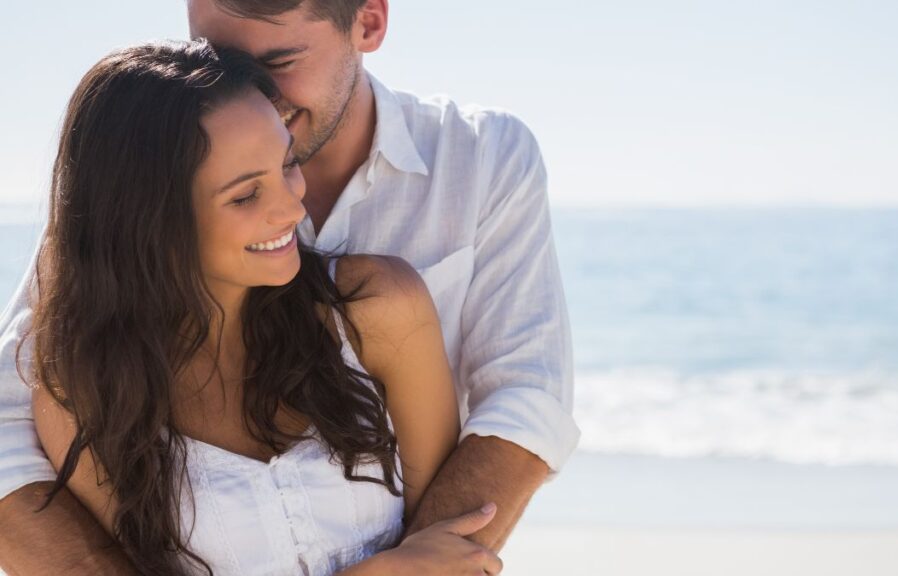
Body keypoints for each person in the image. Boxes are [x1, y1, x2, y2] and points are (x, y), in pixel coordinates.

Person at [0, 0, 579, 573]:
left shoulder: (476, 164)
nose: (254, 92)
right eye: (218, 59)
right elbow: (10, 414)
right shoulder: (122, 238)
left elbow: (526, 399)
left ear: (368, 23)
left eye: (279, 61)